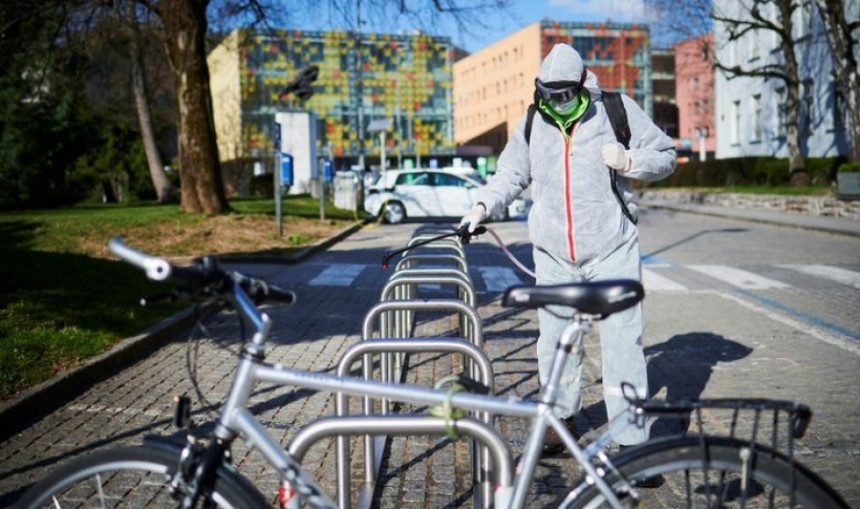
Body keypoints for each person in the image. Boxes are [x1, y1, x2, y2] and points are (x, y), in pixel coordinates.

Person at [460, 44, 676, 456]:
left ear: (582, 86)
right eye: (548, 94)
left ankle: (630, 438)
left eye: (564, 94)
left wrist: (629, 160)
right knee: (555, 342)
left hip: (612, 247)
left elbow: (665, 157)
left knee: (622, 344)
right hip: (554, 253)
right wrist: (483, 205)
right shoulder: (532, 121)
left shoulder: (616, 110)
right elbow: (510, 172)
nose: (556, 103)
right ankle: (560, 422)